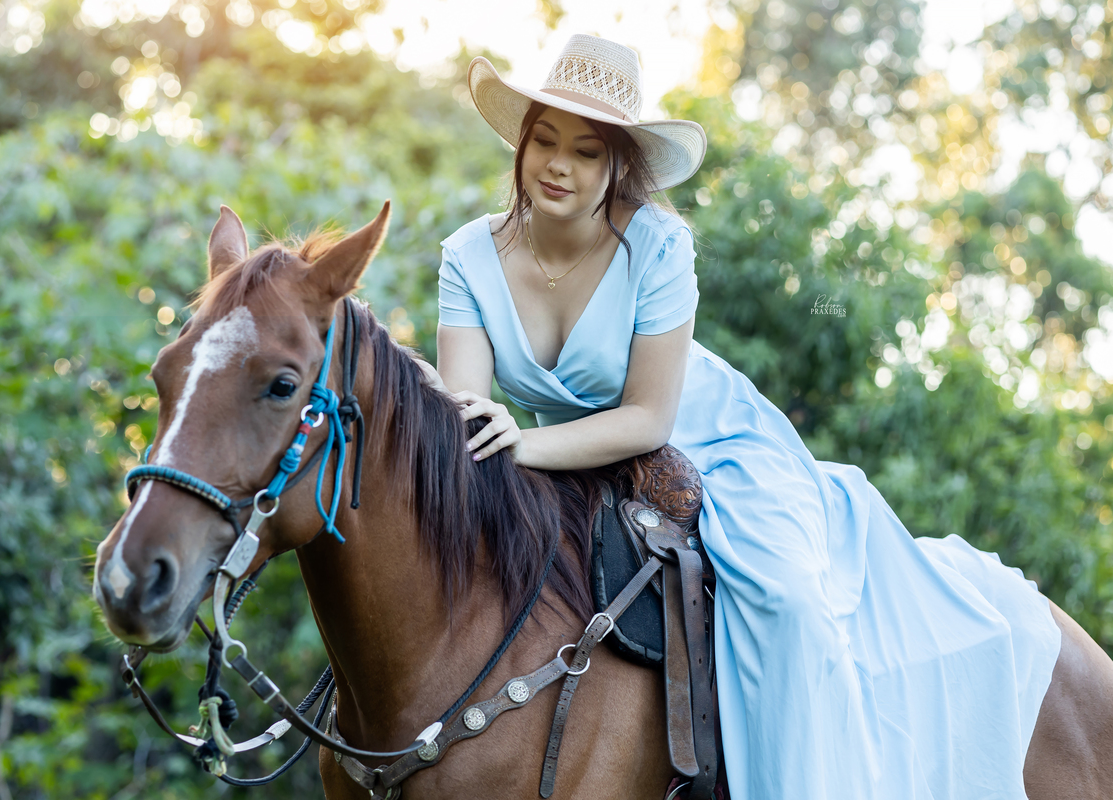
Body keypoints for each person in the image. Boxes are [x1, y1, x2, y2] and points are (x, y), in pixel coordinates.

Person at [427, 33, 1062, 800]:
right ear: (522, 146)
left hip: (710, 441)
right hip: (567, 455)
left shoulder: (658, 247)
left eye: (587, 151)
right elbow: (467, 412)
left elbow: (648, 419)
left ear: (618, 167)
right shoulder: (469, 255)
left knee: (787, 602)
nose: (559, 165)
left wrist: (523, 444)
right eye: (546, 141)